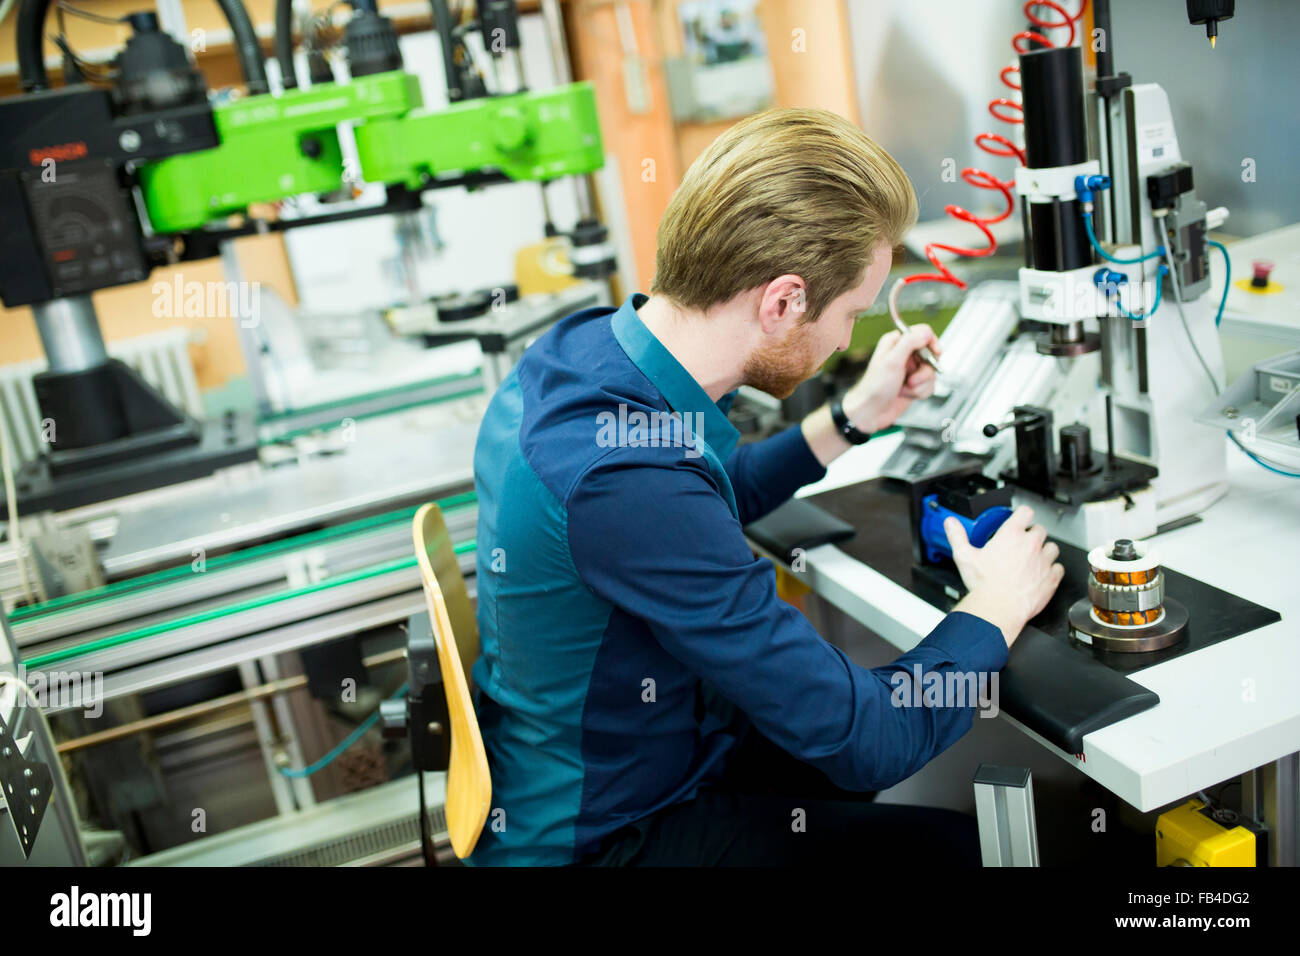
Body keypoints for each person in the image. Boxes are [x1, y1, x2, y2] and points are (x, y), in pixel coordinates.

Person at [467, 108, 1063, 866]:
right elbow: (870, 743)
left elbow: (698, 504)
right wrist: (997, 607)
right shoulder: (622, 479)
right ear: (782, 302)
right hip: (606, 837)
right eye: (850, 313)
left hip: (633, 753)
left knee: (838, 732)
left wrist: (850, 418)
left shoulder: (586, 352)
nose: (849, 340)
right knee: (961, 848)